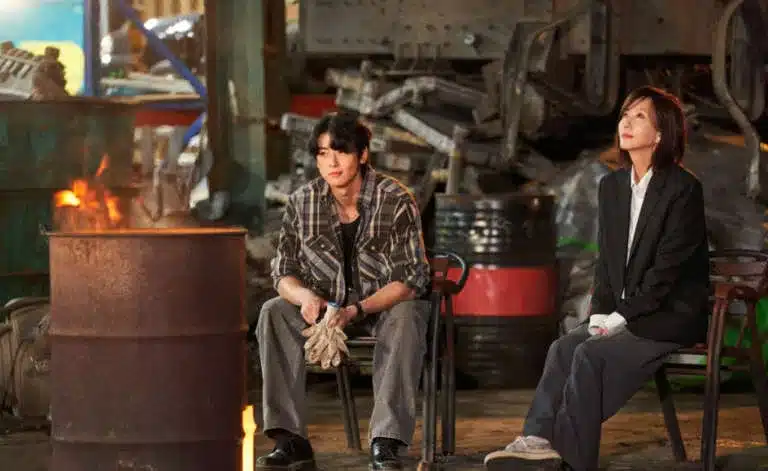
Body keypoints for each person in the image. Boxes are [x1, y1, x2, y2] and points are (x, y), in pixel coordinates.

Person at [484, 86, 710, 471]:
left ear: (660, 134)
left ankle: (571, 460)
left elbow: (666, 271)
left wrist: (622, 316)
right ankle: (538, 440)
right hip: (624, 310)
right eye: (625, 115)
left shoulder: (683, 190)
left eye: (639, 116)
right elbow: (607, 261)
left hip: (669, 314)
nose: (626, 123)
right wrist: (600, 313)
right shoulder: (613, 187)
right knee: (564, 348)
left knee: (590, 355)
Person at [255, 111, 432, 471]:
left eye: (341, 151)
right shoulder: (302, 202)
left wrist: (357, 309)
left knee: (407, 314)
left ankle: (386, 441)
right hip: (324, 308)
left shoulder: (395, 199)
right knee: (273, 311)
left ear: (362, 154)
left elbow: (411, 278)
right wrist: (305, 297)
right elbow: (283, 271)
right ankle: (291, 440)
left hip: (380, 308)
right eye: (323, 153)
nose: (332, 163)